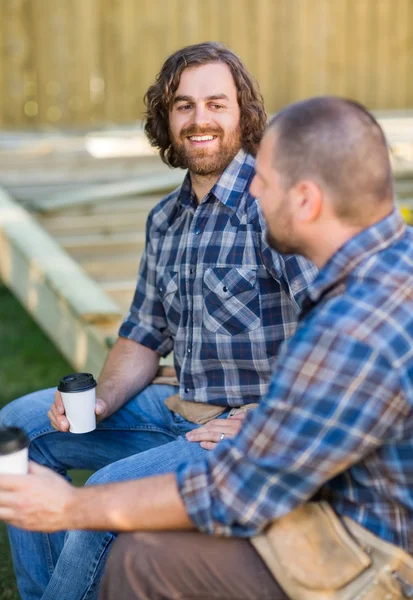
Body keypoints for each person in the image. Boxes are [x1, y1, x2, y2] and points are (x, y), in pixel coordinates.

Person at [1, 96, 412, 600]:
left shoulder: (349, 325)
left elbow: (239, 491)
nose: (253, 189)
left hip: (370, 553)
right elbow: (143, 331)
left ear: (305, 200)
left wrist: (72, 507)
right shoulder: (389, 263)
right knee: (30, 432)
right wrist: (108, 398)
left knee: (137, 558)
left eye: (265, 178)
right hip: (322, 490)